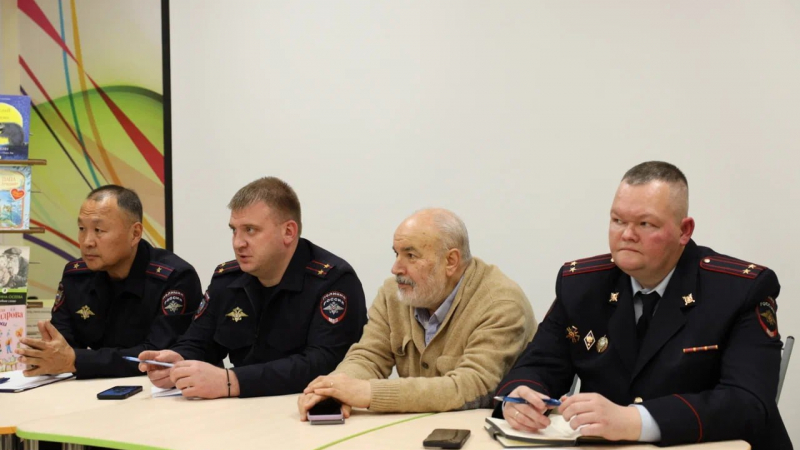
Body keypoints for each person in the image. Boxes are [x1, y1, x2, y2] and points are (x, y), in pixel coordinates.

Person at [494, 161, 792, 450]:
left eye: (645, 224)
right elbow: (538, 365)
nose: (627, 234)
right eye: (618, 221)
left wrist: (637, 421)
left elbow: (748, 402)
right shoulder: (581, 285)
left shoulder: (738, 290)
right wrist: (520, 399)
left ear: (684, 231)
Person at [138, 177, 367, 399]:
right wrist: (178, 361)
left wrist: (232, 381)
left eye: (250, 230)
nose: (238, 243)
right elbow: (199, 341)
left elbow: (325, 363)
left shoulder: (332, 281)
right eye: (234, 230)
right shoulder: (227, 279)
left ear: (288, 232)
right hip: (243, 410)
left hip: (304, 406)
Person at [297, 208, 537, 418]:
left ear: (451, 261)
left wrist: (369, 393)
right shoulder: (394, 293)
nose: (395, 268)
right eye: (396, 253)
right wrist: (333, 390)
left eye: (410, 256)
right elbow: (368, 356)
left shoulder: (501, 303)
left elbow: (473, 387)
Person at [16, 185, 202, 378]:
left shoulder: (174, 278)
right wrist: (45, 355)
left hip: (159, 388)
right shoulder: (76, 276)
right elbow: (63, 346)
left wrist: (76, 361)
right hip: (93, 388)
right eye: (82, 229)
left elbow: (157, 357)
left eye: (99, 230)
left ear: (135, 234)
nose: (87, 241)